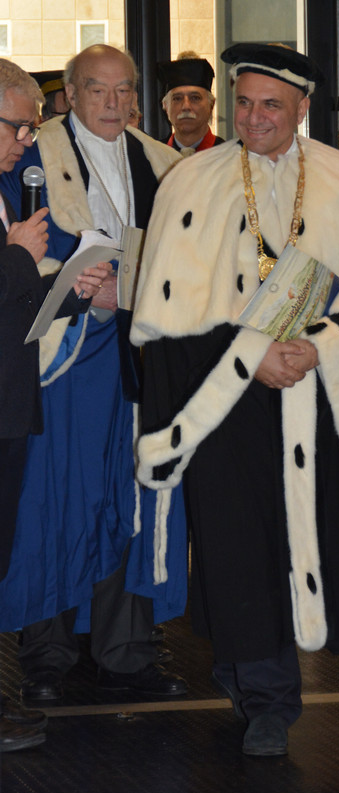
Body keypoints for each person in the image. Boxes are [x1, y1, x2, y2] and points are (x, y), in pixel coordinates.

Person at [132, 42, 339, 756]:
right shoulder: (190, 183)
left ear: (302, 108)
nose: (254, 119)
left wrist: (319, 347)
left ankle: (260, 685)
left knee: (305, 537)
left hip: (318, 394)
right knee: (236, 547)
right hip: (223, 398)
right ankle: (265, 699)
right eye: (245, 103)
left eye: (271, 106)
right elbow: (166, 317)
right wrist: (251, 357)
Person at [0, 45, 188, 705]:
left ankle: (125, 651)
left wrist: (133, 289)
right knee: (53, 499)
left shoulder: (165, 164)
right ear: (71, 95)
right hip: (63, 358)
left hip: (140, 354)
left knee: (131, 497)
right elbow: (18, 248)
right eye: (97, 90)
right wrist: (83, 287)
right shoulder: (32, 154)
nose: (112, 103)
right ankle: (47, 655)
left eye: (124, 90)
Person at [0, 59, 109, 751]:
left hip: (11, 403)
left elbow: (14, 305)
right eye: (17, 126)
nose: (26, 140)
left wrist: (72, 290)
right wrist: (17, 255)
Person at [158, 51, 224, 155]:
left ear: (211, 105)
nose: (186, 106)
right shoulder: (153, 156)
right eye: (177, 99)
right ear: (165, 106)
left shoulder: (230, 157)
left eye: (195, 98)